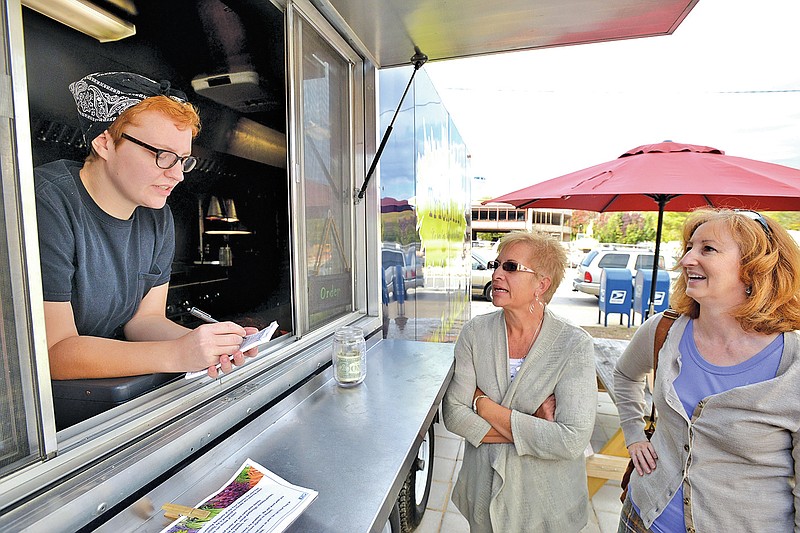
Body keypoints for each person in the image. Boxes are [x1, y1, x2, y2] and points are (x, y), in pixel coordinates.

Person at [37, 71, 258, 380]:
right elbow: (52, 353)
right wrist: (177, 354)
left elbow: (143, 321)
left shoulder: (156, 216)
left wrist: (208, 345)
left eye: (183, 160)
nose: (178, 175)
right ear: (104, 142)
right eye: (164, 156)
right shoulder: (48, 205)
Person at [614, 208, 800, 532]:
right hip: (640, 518)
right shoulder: (666, 330)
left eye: (707, 249)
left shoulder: (793, 365)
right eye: (689, 247)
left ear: (754, 267)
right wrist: (633, 434)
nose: (687, 260)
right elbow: (625, 375)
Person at [442, 230, 597, 532]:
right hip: (484, 497)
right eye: (496, 265)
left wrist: (483, 405)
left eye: (510, 267)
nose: (497, 274)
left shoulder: (573, 345)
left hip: (546, 505)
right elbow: (452, 414)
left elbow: (570, 440)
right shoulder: (475, 333)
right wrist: (532, 426)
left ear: (541, 284)